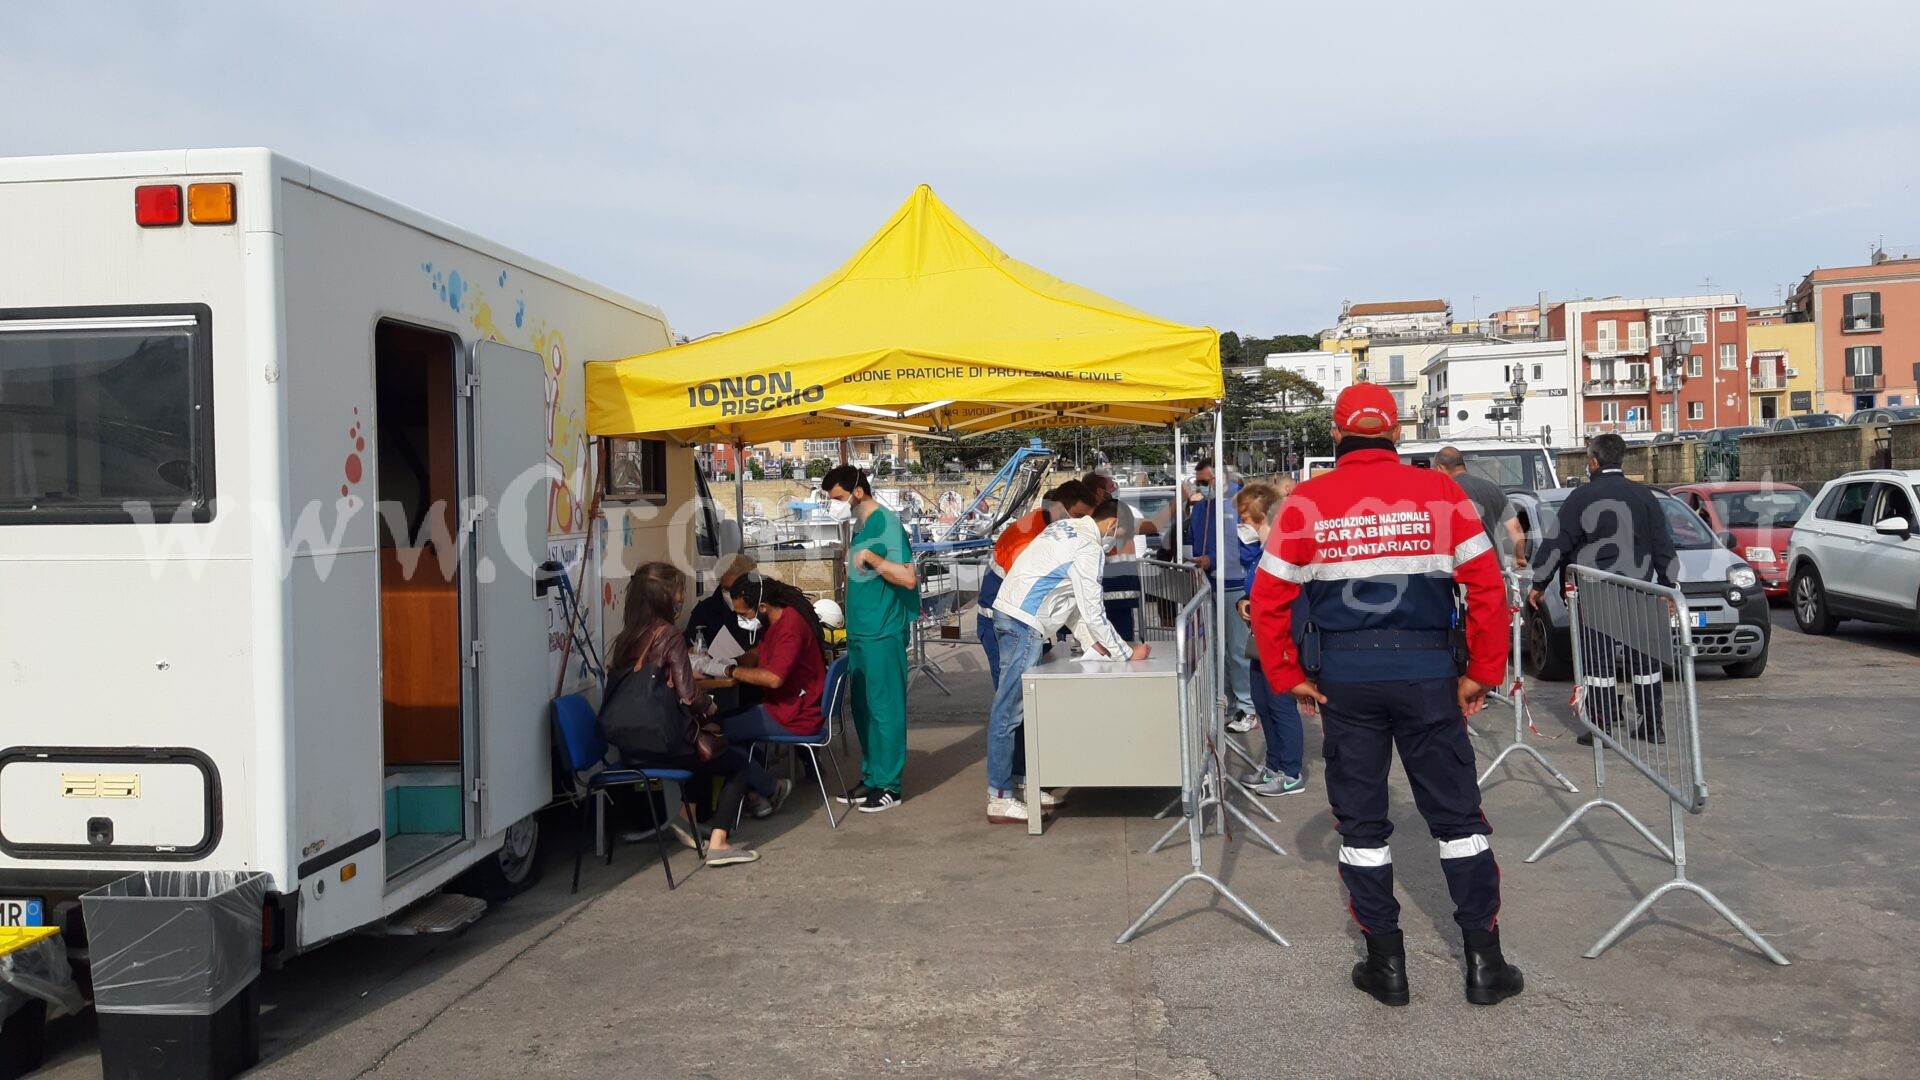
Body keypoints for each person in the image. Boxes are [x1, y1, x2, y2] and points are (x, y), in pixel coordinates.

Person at [1250, 383, 1522, 1007]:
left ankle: (1387, 966)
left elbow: (1269, 599)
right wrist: (1482, 669)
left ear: (1337, 436)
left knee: (1362, 824)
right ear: (1398, 435)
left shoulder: (1306, 503)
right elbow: (1486, 587)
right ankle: (1485, 964)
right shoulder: (1442, 492)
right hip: (1430, 675)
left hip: (1344, 680)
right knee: (1458, 822)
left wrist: (1285, 672)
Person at [604, 562, 778, 866]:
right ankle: (719, 844)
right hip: (661, 746)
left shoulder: (625, 637)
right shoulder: (669, 636)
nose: (681, 598)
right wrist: (709, 706)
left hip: (629, 749)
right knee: (734, 760)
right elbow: (689, 695)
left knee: (702, 750)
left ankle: (687, 819)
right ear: (664, 596)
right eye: (678, 591)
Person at [987, 499, 1148, 824]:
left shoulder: (1065, 528)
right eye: (1119, 537)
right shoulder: (1088, 547)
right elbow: (1092, 609)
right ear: (1113, 526)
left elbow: (1068, 600)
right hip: (1024, 625)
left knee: (1018, 709)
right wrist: (1126, 652)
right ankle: (999, 797)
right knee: (1008, 712)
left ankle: (1021, 783)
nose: (1115, 545)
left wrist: (1091, 643)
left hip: (1012, 616)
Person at [1526, 433, 1679, 746]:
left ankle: (1602, 728)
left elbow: (1558, 542)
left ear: (1593, 462)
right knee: (1645, 662)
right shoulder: (1645, 496)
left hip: (1597, 593)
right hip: (1639, 589)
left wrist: (1539, 583)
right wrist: (1669, 587)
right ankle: (1653, 725)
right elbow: (1663, 544)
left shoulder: (1582, 498)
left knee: (1598, 664)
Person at [822, 465, 919, 813]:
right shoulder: (863, 525)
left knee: (885, 710)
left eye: (835, 497)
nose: (833, 504)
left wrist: (874, 559)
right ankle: (873, 776)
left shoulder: (887, 525)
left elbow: (908, 578)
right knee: (863, 709)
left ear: (856, 492)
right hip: (861, 633)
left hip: (882, 632)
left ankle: (890, 785)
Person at [715, 573, 824, 815]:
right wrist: (724, 661)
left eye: (744, 614)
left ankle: (768, 788)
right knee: (726, 723)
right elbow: (756, 653)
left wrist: (731, 670)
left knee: (716, 735)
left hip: (795, 713)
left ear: (762, 606)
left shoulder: (789, 629)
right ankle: (754, 792)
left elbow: (774, 678)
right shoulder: (778, 622)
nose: (742, 618)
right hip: (787, 706)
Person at [977, 480, 1097, 686]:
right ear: (1059, 507)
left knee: (1029, 693)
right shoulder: (1026, 535)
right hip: (1002, 624)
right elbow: (1036, 592)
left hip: (1023, 623)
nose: (1080, 524)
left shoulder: (1049, 528)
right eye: (1077, 517)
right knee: (1014, 695)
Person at [1234, 481, 1305, 797]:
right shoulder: (1258, 552)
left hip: (1280, 638)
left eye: (1245, 519)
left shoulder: (1284, 551)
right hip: (1260, 636)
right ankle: (1274, 766)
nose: (1241, 525)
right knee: (1263, 702)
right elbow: (1252, 588)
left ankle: (1290, 772)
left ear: (1262, 517)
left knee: (1281, 707)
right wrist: (1244, 603)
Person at [1188, 458, 1256, 730]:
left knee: (1238, 650)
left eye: (1207, 482)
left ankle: (1247, 708)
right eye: (1199, 483)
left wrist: (1212, 559)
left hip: (1234, 585)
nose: (1203, 487)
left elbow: (1239, 547)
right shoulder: (1200, 509)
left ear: (1222, 479)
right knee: (1216, 650)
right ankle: (1225, 702)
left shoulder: (1236, 505)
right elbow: (1195, 540)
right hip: (1208, 585)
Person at [1433, 447, 1526, 568]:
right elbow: (1515, 527)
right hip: (1493, 569)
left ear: (1440, 468)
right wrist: (1520, 557)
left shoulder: (1442, 492)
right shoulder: (1492, 488)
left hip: (1458, 572)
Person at [1082, 471, 1146, 644]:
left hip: (1117, 590)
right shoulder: (1093, 517)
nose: (1115, 489)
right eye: (1111, 486)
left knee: (1121, 641)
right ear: (1100, 491)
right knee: (1115, 643)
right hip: (1107, 592)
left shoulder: (1113, 511)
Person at [685, 553, 760, 655]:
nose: (733, 594)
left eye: (739, 588)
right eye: (728, 589)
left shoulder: (763, 609)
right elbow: (688, 644)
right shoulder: (703, 611)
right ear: (720, 583)